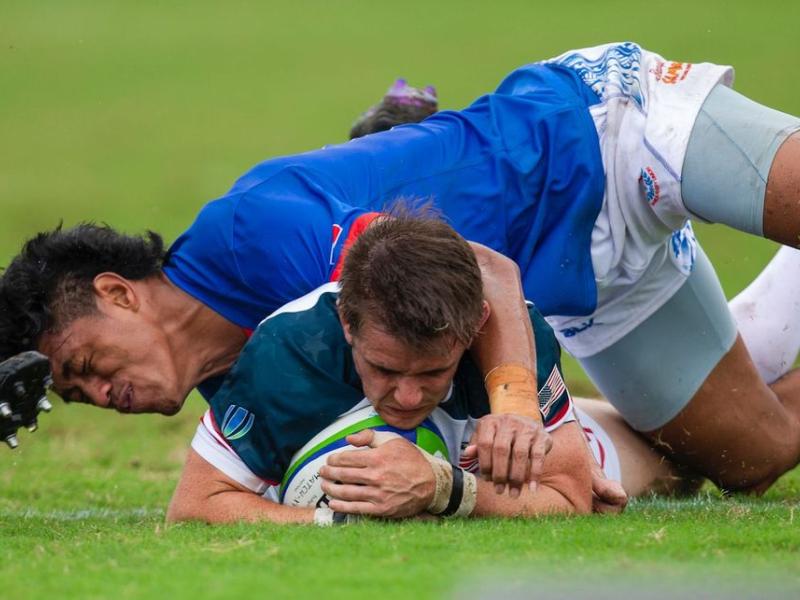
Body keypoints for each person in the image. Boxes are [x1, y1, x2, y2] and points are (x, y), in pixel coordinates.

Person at [3, 41, 800, 495]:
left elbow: (485, 270)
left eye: (86, 367)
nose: (101, 398)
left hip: (599, 135)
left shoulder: (247, 236)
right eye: (78, 398)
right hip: (582, 280)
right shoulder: (244, 376)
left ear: (117, 293)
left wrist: (516, 406)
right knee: (755, 458)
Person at [167, 214, 594, 524]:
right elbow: (194, 507)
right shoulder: (287, 355)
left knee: (650, 463)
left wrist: (443, 488)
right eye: (385, 370)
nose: (407, 397)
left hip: (581, 431)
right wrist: (336, 521)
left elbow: (571, 498)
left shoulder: (518, 344)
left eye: (432, 373)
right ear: (347, 323)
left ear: (475, 328)